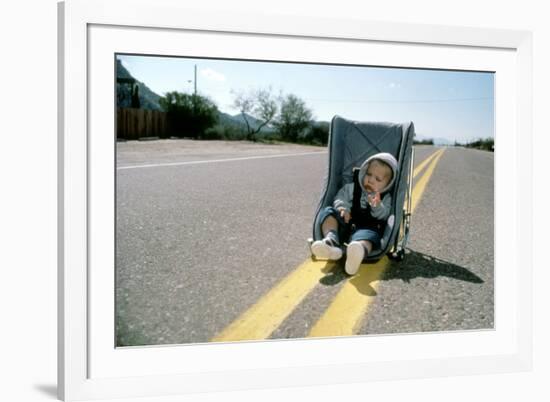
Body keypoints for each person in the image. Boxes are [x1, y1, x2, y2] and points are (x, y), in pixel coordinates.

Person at [311, 152, 398, 275]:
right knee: (328, 212)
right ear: (363, 172)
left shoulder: (385, 197)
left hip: (367, 229)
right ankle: (331, 240)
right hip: (347, 222)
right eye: (368, 174)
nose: (371, 180)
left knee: (369, 238)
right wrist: (343, 208)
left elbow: (384, 214)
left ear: (387, 185)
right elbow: (340, 197)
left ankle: (357, 252)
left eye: (378, 179)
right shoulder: (352, 187)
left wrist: (377, 205)